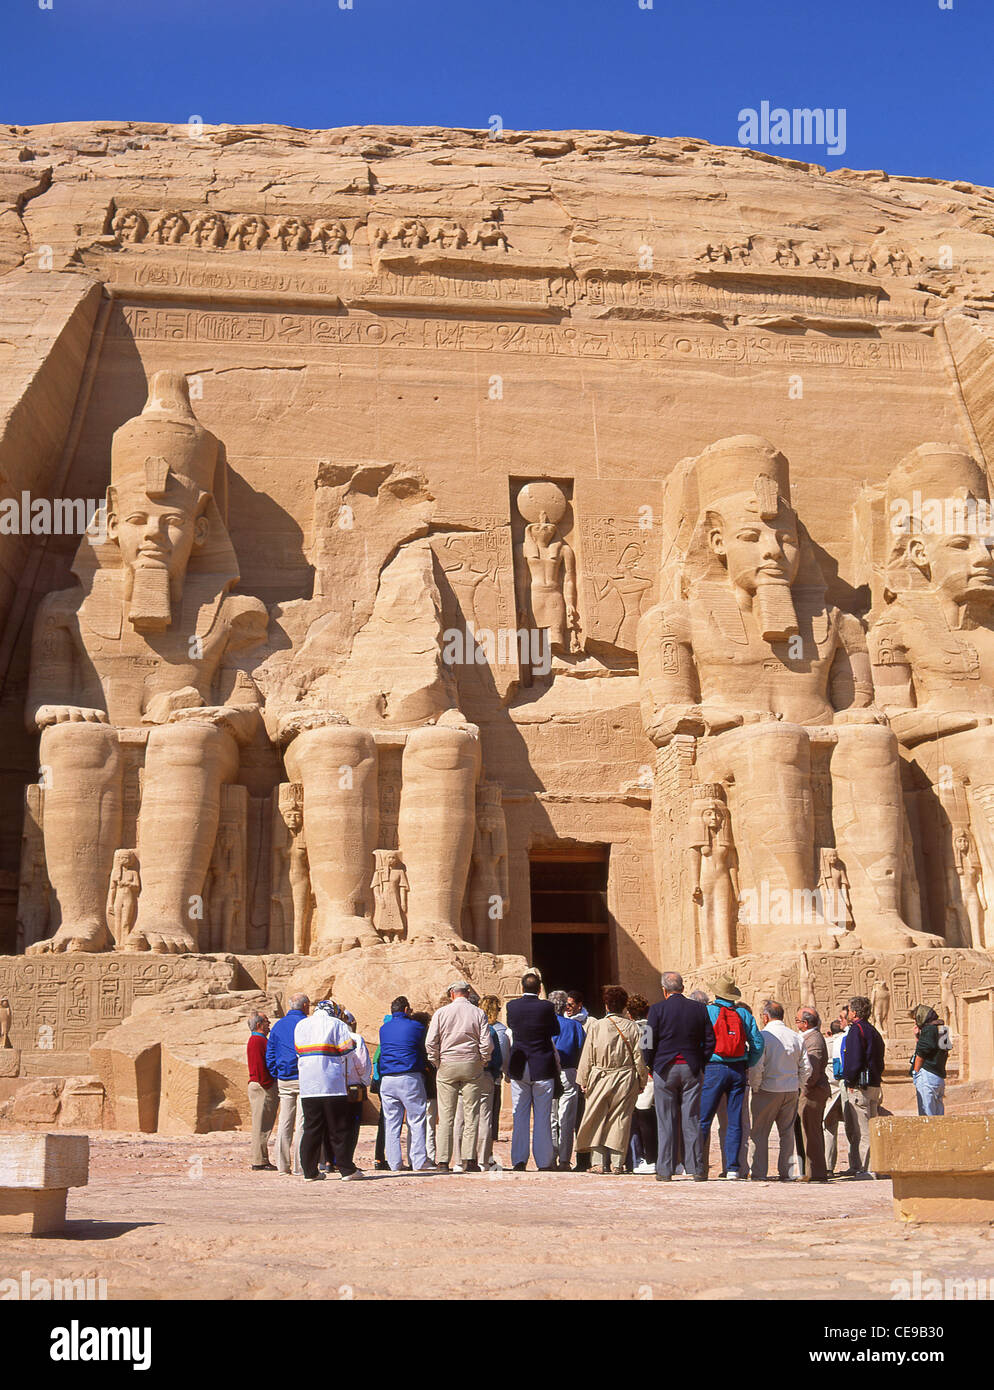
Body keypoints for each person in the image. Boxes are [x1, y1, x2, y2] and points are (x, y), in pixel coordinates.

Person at [643, 972, 715, 1183]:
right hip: (691, 1067)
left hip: (665, 1068)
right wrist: (701, 1061)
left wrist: (650, 1063)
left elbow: (647, 1040)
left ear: (664, 990)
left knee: (665, 1120)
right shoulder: (699, 1009)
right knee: (691, 1118)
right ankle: (697, 1168)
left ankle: (665, 1169)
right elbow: (710, 1039)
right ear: (682, 988)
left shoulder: (657, 1009)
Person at [575, 985, 648, 1174]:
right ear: (624, 1006)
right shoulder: (632, 1027)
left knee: (596, 1117)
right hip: (625, 1077)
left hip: (600, 1076)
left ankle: (598, 1162)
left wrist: (583, 1079)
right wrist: (642, 1080)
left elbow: (588, 1055)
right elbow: (638, 1056)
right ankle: (617, 1163)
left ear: (606, 1005)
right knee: (620, 1119)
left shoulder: (596, 1026)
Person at [699, 977, 764, 1180]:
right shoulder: (743, 1013)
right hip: (737, 1069)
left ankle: (699, 1166)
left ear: (716, 993)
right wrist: (748, 1062)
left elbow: (699, 1040)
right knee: (734, 1120)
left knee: (704, 1118)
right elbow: (758, 1044)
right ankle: (733, 1168)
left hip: (714, 1067)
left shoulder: (708, 1011)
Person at [426, 981, 492, 1173]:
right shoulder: (478, 1013)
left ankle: (443, 1161)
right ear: (468, 993)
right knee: (472, 1113)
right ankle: (469, 1159)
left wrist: (437, 1061)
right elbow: (486, 1043)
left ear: (452, 994)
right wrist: (483, 1060)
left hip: (447, 1063)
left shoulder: (441, 1013)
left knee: (446, 1114)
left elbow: (430, 1042)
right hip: (472, 1063)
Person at [294, 999, 364, 1181]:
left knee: (311, 1129)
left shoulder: (301, 1025)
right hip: (332, 1083)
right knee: (338, 1129)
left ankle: (310, 1171)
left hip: (309, 1085)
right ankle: (346, 1170)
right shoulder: (336, 1024)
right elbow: (346, 1049)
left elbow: (298, 1051)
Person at [749, 1000, 809, 1181]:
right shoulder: (796, 1037)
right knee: (787, 1133)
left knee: (759, 1133)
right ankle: (787, 1172)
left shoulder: (764, 1036)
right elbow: (806, 1067)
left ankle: (759, 1172)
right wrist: (798, 1084)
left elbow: (757, 1066)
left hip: (768, 1088)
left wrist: (756, 1086)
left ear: (765, 1017)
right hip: (790, 1089)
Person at [506, 972, 560, 1171]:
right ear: (539, 989)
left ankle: (519, 1160)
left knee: (519, 1114)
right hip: (542, 1064)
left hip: (520, 1065)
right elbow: (555, 1030)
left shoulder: (512, 1006)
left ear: (522, 988)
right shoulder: (547, 1007)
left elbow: (512, 1027)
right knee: (543, 1115)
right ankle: (544, 1162)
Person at [379, 996, 434, 1172]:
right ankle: (418, 1162)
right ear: (406, 1010)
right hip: (409, 1077)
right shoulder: (416, 1027)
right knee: (416, 1120)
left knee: (392, 1123)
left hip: (387, 1079)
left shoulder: (384, 1028)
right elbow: (425, 1047)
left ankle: (394, 1163)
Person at [840, 995, 886, 1176]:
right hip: (874, 1083)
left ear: (855, 1012)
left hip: (860, 1085)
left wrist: (850, 1080)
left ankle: (868, 1169)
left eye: (850, 1010)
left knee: (863, 1129)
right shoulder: (873, 1030)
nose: (848, 1013)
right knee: (871, 1127)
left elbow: (855, 1059)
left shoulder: (856, 1030)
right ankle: (875, 1166)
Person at [265, 993, 309, 1176]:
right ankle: (300, 1166)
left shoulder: (278, 1025)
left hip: (284, 1078)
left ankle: (282, 1165)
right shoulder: (307, 1023)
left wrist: (277, 1073)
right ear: (305, 1005)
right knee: (301, 1122)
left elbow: (270, 1053)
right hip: (303, 1076)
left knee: (284, 1121)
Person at [549, 989, 586, 1171]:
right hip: (569, 1071)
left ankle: (550, 1157)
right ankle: (564, 1160)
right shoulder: (574, 1026)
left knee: (551, 1116)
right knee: (567, 1117)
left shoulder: (546, 1024)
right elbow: (582, 1050)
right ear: (564, 1005)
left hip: (549, 1072)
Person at [795, 1006, 831, 1182]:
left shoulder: (814, 1039)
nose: (796, 1024)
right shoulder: (809, 1037)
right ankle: (810, 1171)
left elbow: (813, 1071)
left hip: (812, 1092)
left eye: (797, 1020)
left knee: (812, 1132)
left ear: (805, 1023)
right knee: (808, 1131)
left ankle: (816, 1172)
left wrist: (804, 1089)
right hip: (810, 1090)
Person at [246, 1010, 278, 1171]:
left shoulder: (259, 1040)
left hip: (261, 1084)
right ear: (259, 1024)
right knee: (261, 1124)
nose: (269, 1024)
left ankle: (261, 1158)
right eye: (266, 1021)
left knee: (263, 1124)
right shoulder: (257, 1041)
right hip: (262, 1086)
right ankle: (259, 1160)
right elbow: (260, 1066)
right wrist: (268, 1083)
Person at [911, 1004, 950, 1116]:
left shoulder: (928, 1030)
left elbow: (921, 1053)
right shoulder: (943, 1029)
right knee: (938, 1114)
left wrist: (915, 1073)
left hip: (927, 1075)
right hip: (938, 1076)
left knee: (927, 1115)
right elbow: (944, 1051)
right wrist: (918, 1036)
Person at [481, 995, 508, 1157]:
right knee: (489, 1115)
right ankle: (487, 1150)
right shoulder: (499, 1030)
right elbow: (502, 1055)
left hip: (473, 1073)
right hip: (492, 1076)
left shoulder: (475, 1025)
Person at [412, 1011, 439, 1161]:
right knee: (430, 1125)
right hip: (430, 1087)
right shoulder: (429, 1039)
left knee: (415, 1124)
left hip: (416, 1085)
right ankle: (429, 1156)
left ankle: (415, 1157)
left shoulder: (412, 1039)